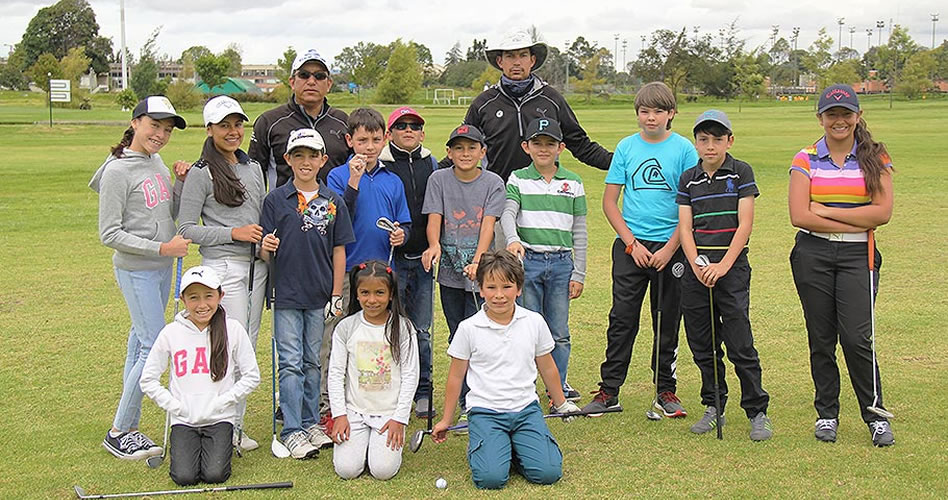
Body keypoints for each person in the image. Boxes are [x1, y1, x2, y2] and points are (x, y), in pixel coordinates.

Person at [582, 82, 698, 418]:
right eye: (644, 111)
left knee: (666, 320)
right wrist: (631, 243)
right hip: (631, 248)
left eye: (658, 111)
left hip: (671, 249)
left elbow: (688, 207)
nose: (651, 117)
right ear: (637, 114)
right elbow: (609, 202)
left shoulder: (684, 149)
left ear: (671, 114)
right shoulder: (626, 148)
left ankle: (666, 390)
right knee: (622, 319)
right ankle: (609, 391)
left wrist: (670, 248)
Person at [788, 84, 895, 447]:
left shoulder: (875, 156)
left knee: (857, 338)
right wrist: (854, 218)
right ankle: (827, 414)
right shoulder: (805, 158)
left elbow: (882, 213)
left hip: (857, 257)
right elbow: (798, 215)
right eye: (831, 114)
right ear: (820, 118)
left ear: (857, 116)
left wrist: (826, 211)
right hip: (812, 255)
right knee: (822, 338)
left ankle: (875, 415)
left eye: (846, 114)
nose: (839, 121)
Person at [89, 95, 190, 460]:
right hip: (137, 270)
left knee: (139, 342)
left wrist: (178, 184)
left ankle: (126, 423)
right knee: (151, 344)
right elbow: (109, 234)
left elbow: (167, 212)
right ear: (135, 123)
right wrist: (161, 249)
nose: (160, 135)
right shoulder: (117, 171)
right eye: (154, 126)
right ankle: (120, 430)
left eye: (166, 130)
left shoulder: (155, 161)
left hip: (160, 269)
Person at [431, 250, 581, 490]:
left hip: (526, 410)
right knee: (490, 479)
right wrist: (446, 419)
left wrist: (562, 403)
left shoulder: (534, 322)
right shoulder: (469, 328)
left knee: (548, 473)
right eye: (491, 287)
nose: (499, 295)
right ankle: (493, 448)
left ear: (519, 289)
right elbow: (456, 376)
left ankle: (512, 448)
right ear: (481, 289)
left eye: (507, 286)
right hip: (485, 412)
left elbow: (547, 366)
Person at [463, 30, 612, 247]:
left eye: (523, 55)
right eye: (510, 56)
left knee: (543, 270)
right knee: (503, 274)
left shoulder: (551, 99)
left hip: (545, 201)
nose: (517, 62)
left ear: (532, 60)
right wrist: (430, 170)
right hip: (499, 199)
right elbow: (463, 148)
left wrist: (617, 162)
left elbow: (579, 144)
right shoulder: (484, 103)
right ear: (500, 61)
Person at [177, 96, 267, 452]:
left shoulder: (253, 167)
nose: (233, 132)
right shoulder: (201, 172)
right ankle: (222, 429)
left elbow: (261, 215)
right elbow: (186, 229)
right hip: (222, 269)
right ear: (210, 129)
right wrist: (234, 233)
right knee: (226, 350)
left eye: (237, 124)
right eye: (225, 125)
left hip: (255, 268)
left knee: (247, 350)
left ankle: (235, 428)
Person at [260, 128, 355, 458]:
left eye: (312, 155)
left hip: (319, 294)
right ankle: (292, 428)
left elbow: (339, 250)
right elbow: (264, 249)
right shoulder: (275, 200)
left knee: (313, 361)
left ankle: (312, 422)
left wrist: (335, 294)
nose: (305, 161)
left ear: (323, 160)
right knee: (290, 362)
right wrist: (264, 247)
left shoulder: (333, 201)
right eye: (298, 155)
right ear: (287, 159)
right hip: (286, 293)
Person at [677, 110, 772, 441]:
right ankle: (713, 404)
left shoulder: (741, 172)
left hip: (731, 269)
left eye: (718, 139)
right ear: (696, 143)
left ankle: (757, 410)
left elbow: (744, 224)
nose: (710, 146)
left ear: (729, 141)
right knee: (702, 344)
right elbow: (685, 227)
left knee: (739, 342)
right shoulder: (689, 178)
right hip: (697, 271)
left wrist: (722, 266)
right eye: (704, 140)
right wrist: (697, 265)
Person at [324, 107, 412, 422]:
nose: (369, 147)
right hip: (346, 268)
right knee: (339, 334)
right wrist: (354, 180)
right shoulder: (337, 175)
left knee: (379, 335)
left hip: (381, 270)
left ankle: (383, 396)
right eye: (362, 140)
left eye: (375, 139)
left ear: (385, 139)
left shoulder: (392, 179)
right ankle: (331, 403)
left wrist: (402, 234)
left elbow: (404, 221)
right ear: (350, 141)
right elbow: (337, 216)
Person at [140, 266, 260, 486]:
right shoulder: (171, 332)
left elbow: (252, 376)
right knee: (184, 477)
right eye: (193, 297)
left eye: (209, 296)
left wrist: (223, 402)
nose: (202, 305)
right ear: (183, 299)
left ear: (220, 296)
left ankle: (221, 446)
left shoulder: (232, 329)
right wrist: (176, 406)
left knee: (215, 475)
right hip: (184, 419)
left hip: (219, 418)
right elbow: (148, 379)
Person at [421, 124, 505, 423]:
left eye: (472, 148)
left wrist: (479, 260)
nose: (465, 153)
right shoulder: (438, 179)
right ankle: (466, 397)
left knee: (484, 332)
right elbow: (435, 218)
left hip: (481, 274)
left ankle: (484, 396)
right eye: (459, 148)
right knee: (459, 333)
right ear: (449, 152)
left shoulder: (493, 182)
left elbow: (488, 224)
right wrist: (433, 246)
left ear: (483, 152)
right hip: (449, 272)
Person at [500, 118, 587, 403]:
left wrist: (579, 273)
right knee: (526, 330)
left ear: (561, 147)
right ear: (526, 146)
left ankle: (556, 390)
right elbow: (509, 213)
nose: (544, 149)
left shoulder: (573, 183)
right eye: (537, 143)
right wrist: (512, 239)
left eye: (550, 144)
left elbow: (580, 230)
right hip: (530, 263)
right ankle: (524, 391)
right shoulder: (518, 178)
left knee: (559, 332)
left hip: (562, 264)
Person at [328, 261, 419, 480]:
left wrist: (400, 418)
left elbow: (410, 375)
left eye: (379, 293)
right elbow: (335, 373)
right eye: (365, 293)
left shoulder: (403, 327)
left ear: (390, 294)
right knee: (347, 470)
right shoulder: (346, 327)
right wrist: (340, 415)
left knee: (383, 471)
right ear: (356, 295)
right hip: (354, 413)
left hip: (389, 414)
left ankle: (380, 447)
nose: (372, 300)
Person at [378, 106, 439, 418]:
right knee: (391, 327)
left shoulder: (432, 163)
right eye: (401, 126)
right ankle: (392, 388)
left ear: (422, 133)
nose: (409, 130)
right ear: (390, 133)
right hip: (392, 260)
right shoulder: (382, 165)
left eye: (415, 126)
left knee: (422, 330)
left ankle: (423, 390)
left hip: (425, 259)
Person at [249, 49, 350, 188]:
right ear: (292, 82)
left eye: (319, 76)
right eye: (304, 75)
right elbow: (253, 176)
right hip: (284, 209)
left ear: (329, 84)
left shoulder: (343, 122)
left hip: (333, 208)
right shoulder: (269, 122)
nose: (311, 81)